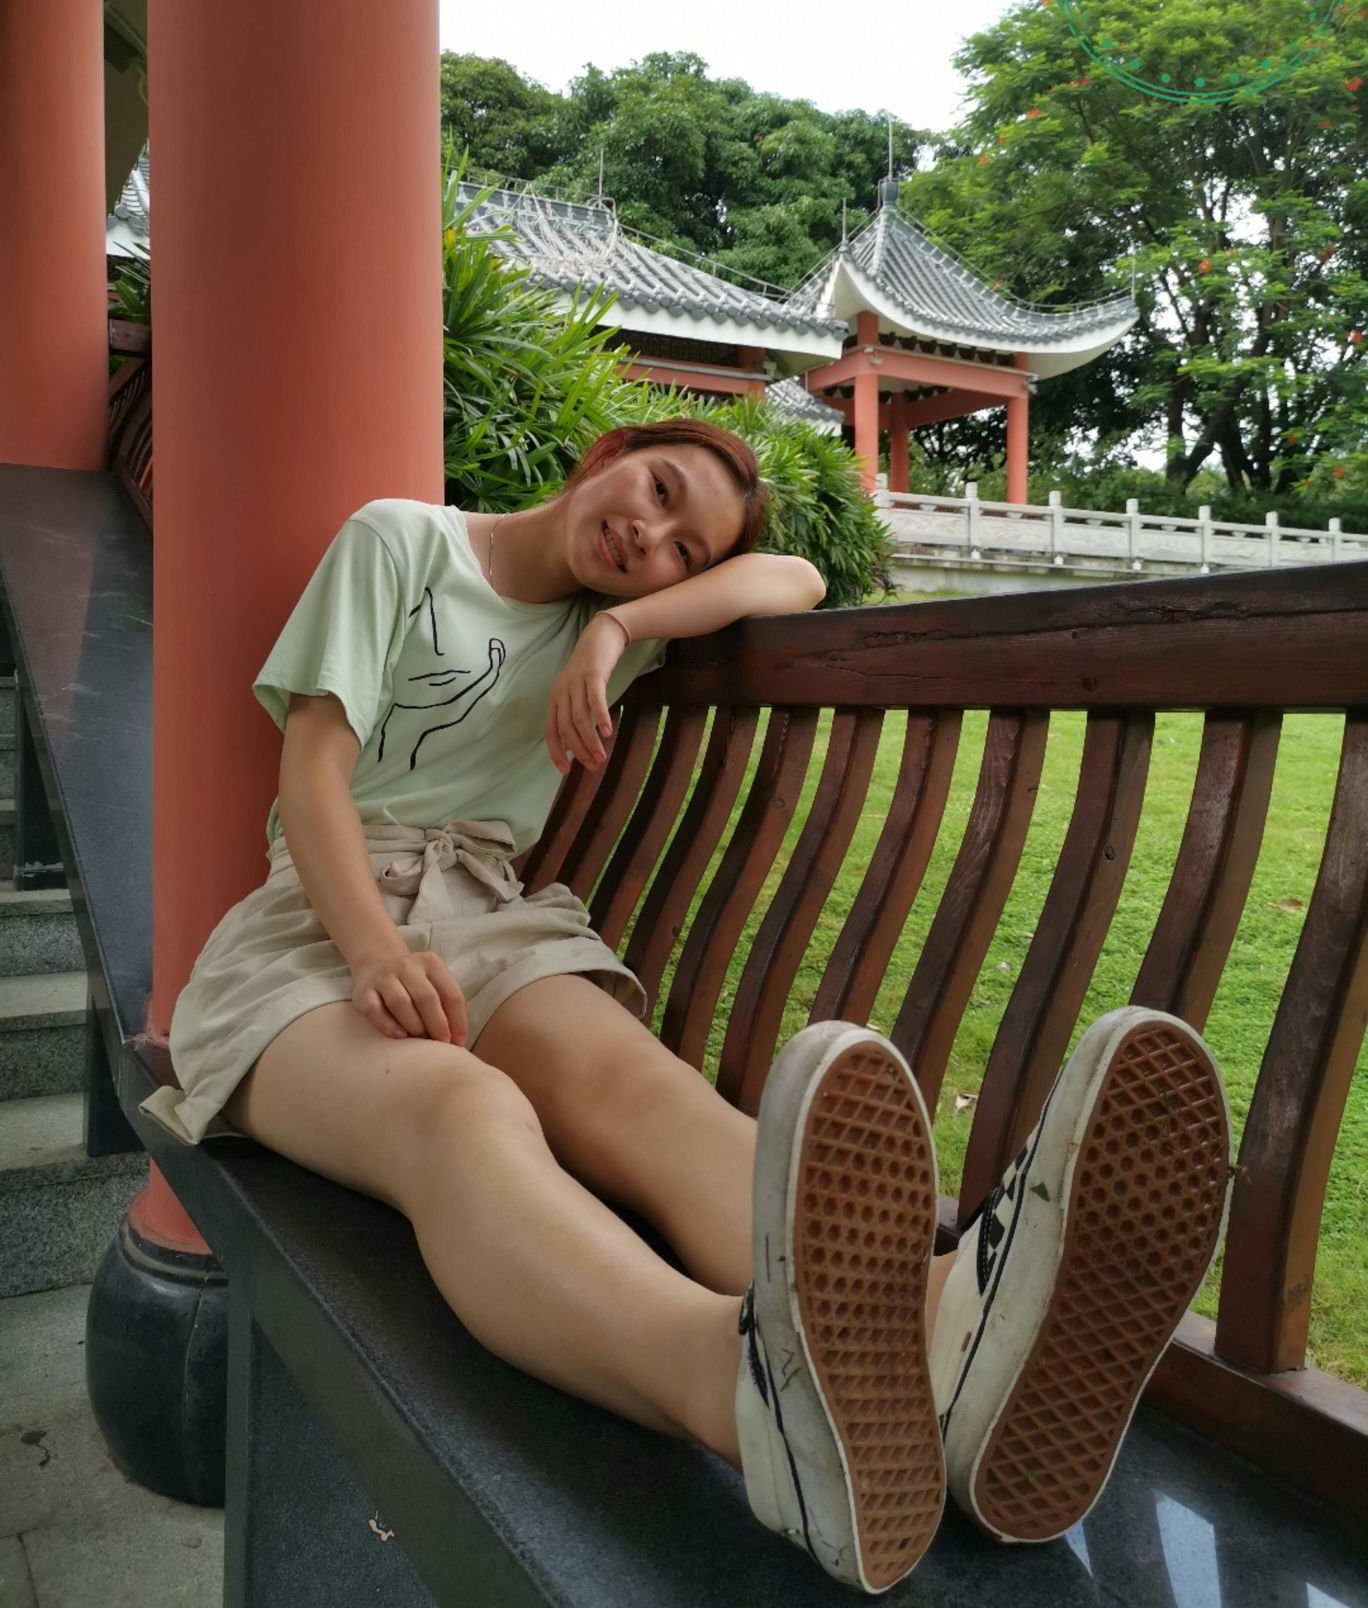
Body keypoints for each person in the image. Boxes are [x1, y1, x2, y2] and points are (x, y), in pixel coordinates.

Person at [141, 417, 1232, 1596]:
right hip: (314, 932)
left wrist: (616, 627)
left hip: (488, 915)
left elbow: (795, 576)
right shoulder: (402, 542)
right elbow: (312, 768)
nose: (649, 537)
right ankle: (738, 1395)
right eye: (655, 489)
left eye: (684, 549)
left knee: (641, 1087)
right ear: (602, 455)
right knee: (459, 1112)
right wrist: (369, 949)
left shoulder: (609, 626)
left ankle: (945, 1333)